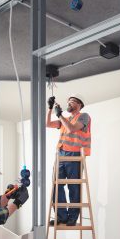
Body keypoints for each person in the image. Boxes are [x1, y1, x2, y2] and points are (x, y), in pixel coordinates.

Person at [46, 94, 91, 227]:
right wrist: (50, 109)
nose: (69, 103)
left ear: (79, 105)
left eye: (73, 102)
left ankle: (72, 217)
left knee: (74, 187)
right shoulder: (65, 119)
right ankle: (61, 217)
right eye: (68, 102)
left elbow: (72, 129)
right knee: (56, 185)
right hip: (61, 155)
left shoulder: (84, 116)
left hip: (75, 155)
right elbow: (47, 124)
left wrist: (59, 115)